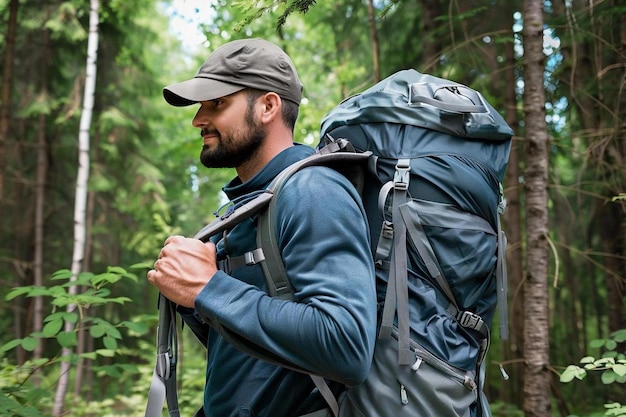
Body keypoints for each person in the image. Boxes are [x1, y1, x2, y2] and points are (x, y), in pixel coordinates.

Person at [146, 38, 377, 417]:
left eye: (217, 104)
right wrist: (192, 299)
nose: (198, 120)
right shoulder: (243, 209)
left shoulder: (314, 191)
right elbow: (256, 348)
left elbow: (346, 346)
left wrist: (207, 287)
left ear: (268, 106)